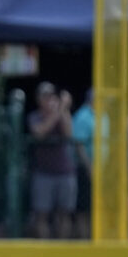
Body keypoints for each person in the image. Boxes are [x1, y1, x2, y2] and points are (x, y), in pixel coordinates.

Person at [27, 81, 76, 239]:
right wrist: (59, 110)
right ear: (39, 99)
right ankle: (46, 253)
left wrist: (64, 110)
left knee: (64, 214)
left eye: (51, 96)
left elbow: (69, 135)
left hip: (65, 172)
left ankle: (62, 254)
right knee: (42, 215)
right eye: (45, 97)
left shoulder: (62, 114)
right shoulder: (34, 117)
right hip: (44, 173)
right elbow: (40, 133)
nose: (49, 100)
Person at [71, 88, 95, 239]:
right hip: (85, 169)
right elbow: (79, 145)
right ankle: (85, 241)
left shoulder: (102, 115)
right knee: (83, 210)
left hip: (101, 170)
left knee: (96, 209)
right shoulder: (82, 116)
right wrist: (89, 167)